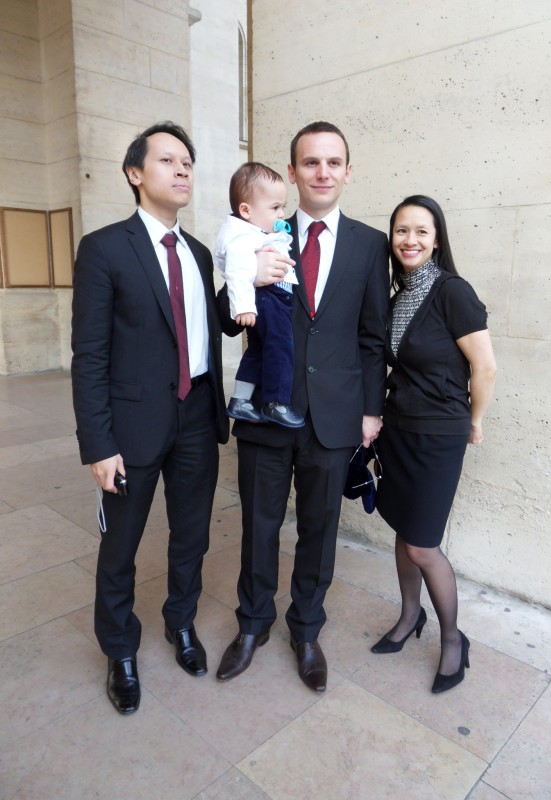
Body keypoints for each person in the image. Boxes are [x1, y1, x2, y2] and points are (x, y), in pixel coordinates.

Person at [216, 121, 390, 692]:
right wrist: (245, 280)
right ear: (291, 173)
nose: (322, 172)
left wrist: (371, 410)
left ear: (347, 172)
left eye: (333, 162)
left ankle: (307, 630)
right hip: (269, 409)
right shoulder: (262, 229)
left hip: (334, 417)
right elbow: (226, 316)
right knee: (259, 525)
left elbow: (372, 337)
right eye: (310, 162)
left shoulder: (370, 244)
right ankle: (252, 625)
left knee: (320, 528)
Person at [71, 121, 237, 715]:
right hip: (132, 427)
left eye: (188, 160)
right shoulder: (104, 248)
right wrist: (98, 443)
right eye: (168, 160)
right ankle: (120, 649)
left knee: (192, 534)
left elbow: (206, 326)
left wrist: (250, 278)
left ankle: (180, 622)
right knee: (121, 545)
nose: (183, 168)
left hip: (197, 416)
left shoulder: (198, 253)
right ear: (135, 174)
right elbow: (89, 355)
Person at [371, 195, 497, 694]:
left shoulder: (452, 292)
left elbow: (484, 367)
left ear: (437, 239)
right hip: (398, 431)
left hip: (439, 435)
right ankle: (409, 616)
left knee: (423, 545)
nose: (410, 240)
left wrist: (475, 421)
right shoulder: (398, 295)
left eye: (421, 231)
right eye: (401, 231)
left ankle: (452, 638)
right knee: (403, 530)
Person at [214, 162, 304, 428]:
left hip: (268, 298)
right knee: (280, 348)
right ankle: (276, 402)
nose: (281, 214)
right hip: (269, 297)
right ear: (246, 210)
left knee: (258, 349)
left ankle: (240, 400)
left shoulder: (255, 231)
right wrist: (244, 306)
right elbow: (238, 272)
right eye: (275, 208)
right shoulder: (242, 237)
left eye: (282, 206)